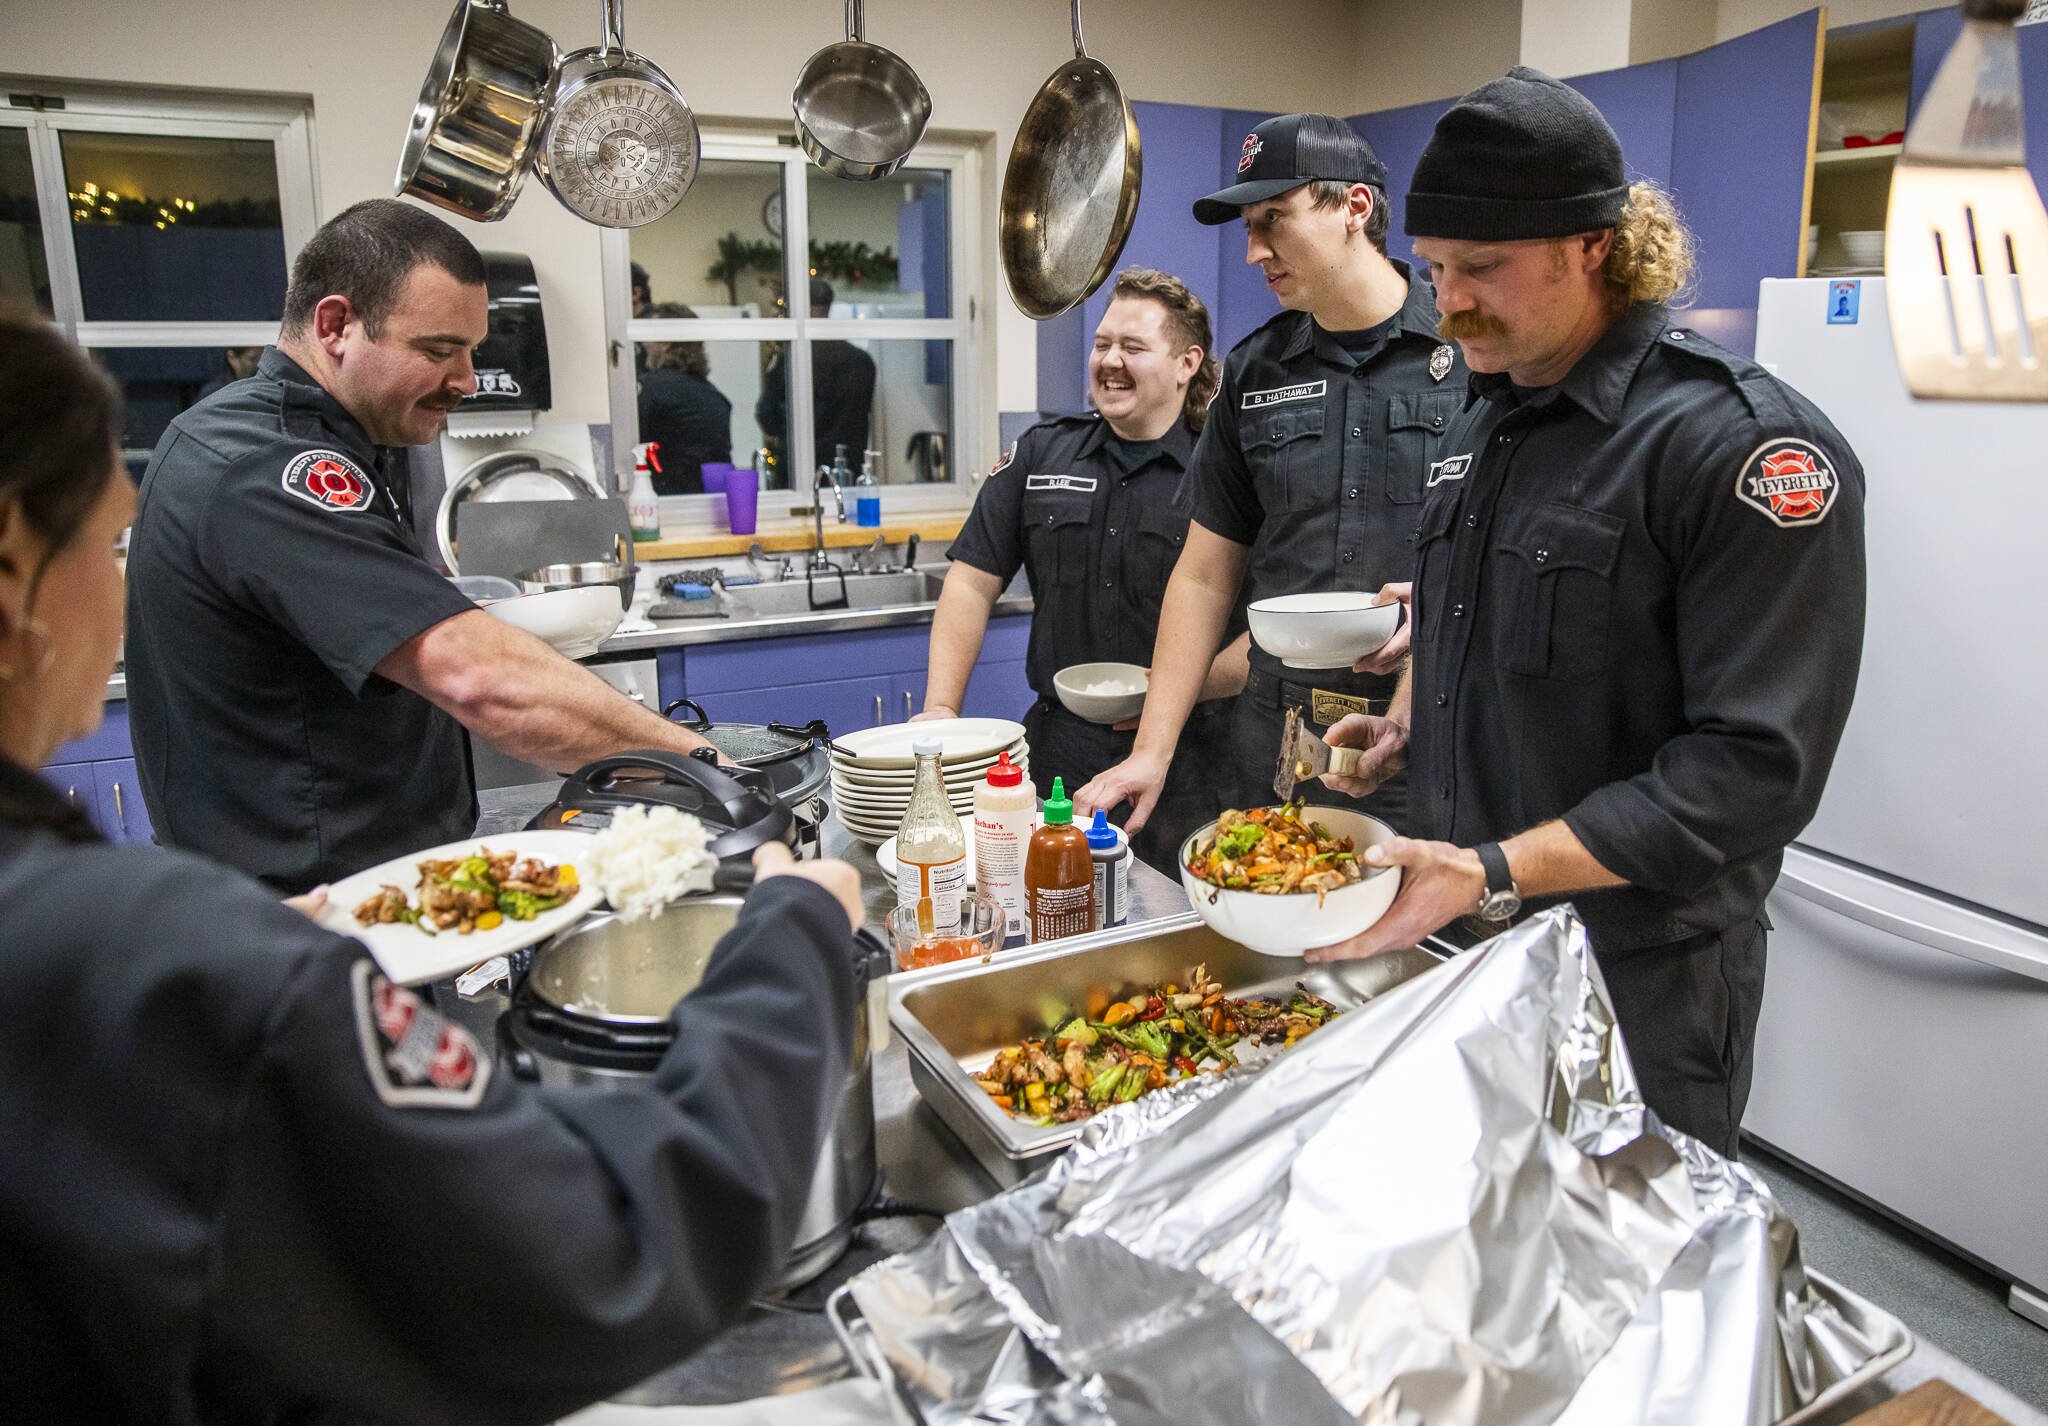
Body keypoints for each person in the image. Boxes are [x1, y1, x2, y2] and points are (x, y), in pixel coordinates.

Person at [0, 308, 869, 1425]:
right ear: (16, 565)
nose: (123, 594)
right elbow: (602, 1249)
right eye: (110, 546)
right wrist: (794, 935)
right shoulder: (160, 963)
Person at [1310, 69, 1867, 1158]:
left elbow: (1752, 771)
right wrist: (1411, 725)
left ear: (1594, 246)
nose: (1447, 300)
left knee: (1629, 1283)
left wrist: (1498, 867)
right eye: (1431, 270)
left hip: (1637, 980)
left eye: (1481, 268)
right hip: (1468, 938)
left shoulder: (1739, 449)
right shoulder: (1488, 415)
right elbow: (1487, 617)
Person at [124, 198, 715, 894]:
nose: (465, 381)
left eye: (471, 351)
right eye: (437, 351)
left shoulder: (290, 435)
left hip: (343, 884)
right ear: (336, 325)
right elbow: (483, 681)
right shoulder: (272, 469)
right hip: (308, 911)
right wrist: (700, 761)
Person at [1076, 114, 1467, 842]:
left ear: (1354, 208)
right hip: (1277, 737)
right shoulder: (1255, 373)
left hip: (1428, 730)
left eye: (1274, 220)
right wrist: (1151, 751)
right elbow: (1203, 576)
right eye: (1250, 227)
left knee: (1411, 948)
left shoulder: (1469, 351)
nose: (1255, 250)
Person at [916, 269, 1246, 874]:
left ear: (1186, 362)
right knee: (1047, 908)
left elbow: (1268, 625)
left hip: (1196, 755)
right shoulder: (1040, 452)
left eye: (1133, 347)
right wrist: (942, 707)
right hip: (1057, 754)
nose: (1110, 361)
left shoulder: (1228, 469)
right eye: (1102, 344)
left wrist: (1175, 690)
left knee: (1184, 936)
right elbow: (969, 582)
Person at [756, 276, 877, 482]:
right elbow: (864, 417)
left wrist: (784, 437)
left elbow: (766, 412)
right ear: (828, 308)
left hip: (800, 469)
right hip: (847, 469)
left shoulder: (791, 358)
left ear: (805, 308)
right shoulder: (861, 360)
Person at [638, 301, 732, 495]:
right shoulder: (712, 393)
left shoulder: (654, 388)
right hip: (712, 502)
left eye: (649, 335)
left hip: (671, 501)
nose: (643, 342)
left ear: (666, 343)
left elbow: (633, 445)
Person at [194, 345, 262, 402]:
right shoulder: (215, 393)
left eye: (263, 358)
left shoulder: (265, 388)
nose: (260, 364)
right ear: (232, 358)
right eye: (253, 359)